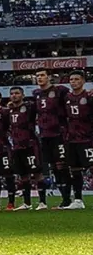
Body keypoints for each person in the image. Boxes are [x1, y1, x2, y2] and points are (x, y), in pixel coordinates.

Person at [33, 70, 71, 209]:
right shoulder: (36, 93)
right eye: (37, 76)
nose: (40, 78)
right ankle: (64, 200)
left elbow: (71, 101)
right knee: (54, 167)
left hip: (59, 134)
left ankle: (70, 199)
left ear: (49, 77)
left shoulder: (60, 90)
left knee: (62, 165)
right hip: (44, 135)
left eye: (42, 75)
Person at [8, 86, 47, 211]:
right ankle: (27, 203)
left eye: (17, 93)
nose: (14, 95)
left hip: (30, 145)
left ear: (23, 95)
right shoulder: (8, 111)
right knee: (23, 175)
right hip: (16, 146)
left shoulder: (29, 107)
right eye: (12, 94)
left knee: (37, 173)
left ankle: (42, 202)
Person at [62, 71, 92, 210]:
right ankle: (78, 200)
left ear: (83, 81)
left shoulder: (89, 96)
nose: (73, 81)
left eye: (76, 79)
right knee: (75, 169)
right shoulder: (66, 97)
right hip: (72, 139)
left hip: (87, 138)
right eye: (71, 79)